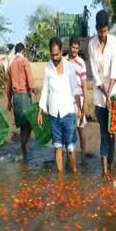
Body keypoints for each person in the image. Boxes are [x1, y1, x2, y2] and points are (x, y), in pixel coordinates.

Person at [38, 38, 82, 173]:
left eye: (57, 54)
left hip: (68, 112)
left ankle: (74, 173)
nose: (54, 57)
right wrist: (40, 111)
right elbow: (45, 90)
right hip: (54, 114)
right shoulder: (48, 69)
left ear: (62, 51)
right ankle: (60, 178)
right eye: (52, 55)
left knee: (70, 148)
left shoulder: (70, 67)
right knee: (57, 146)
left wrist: (79, 108)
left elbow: (76, 89)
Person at [88, 9, 116, 176]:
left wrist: (110, 95)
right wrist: (105, 96)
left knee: (113, 133)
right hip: (100, 97)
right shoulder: (92, 44)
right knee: (103, 133)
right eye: (100, 31)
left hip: (112, 94)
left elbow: (114, 70)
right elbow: (95, 75)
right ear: (96, 29)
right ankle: (105, 170)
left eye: (105, 31)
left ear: (108, 28)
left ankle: (111, 163)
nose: (103, 35)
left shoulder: (114, 41)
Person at [6, 43, 38, 159]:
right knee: (29, 124)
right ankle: (22, 147)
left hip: (16, 98)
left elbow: (8, 86)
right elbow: (29, 78)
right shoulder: (24, 61)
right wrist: (34, 89)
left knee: (22, 125)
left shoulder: (11, 65)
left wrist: (9, 101)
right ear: (23, 51)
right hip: (24, 95)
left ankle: (23, 148)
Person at [67, 36, 89, 158]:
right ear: (69, 47)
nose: (75, 50)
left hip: (79, 99)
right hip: (67, 100)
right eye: (73, 47)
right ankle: (70, 155)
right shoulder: (63, 61)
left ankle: (84, 155)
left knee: (81, 129)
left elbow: (84, 84)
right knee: (69, 129)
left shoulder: (81, 63)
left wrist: (85, 102)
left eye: (77, 48)